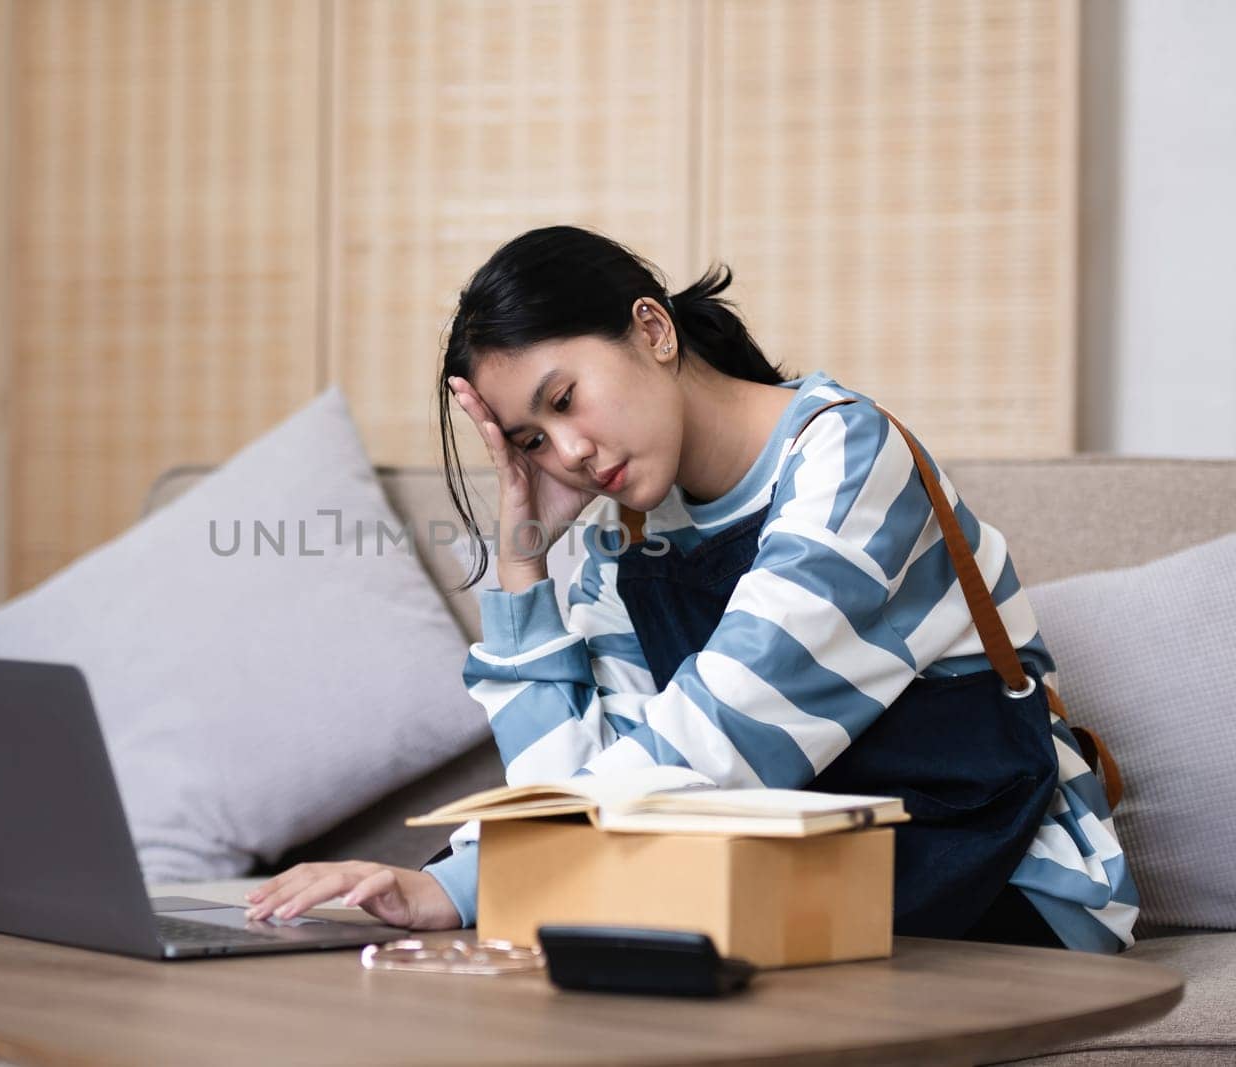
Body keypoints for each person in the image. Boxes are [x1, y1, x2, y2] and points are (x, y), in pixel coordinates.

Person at [245, 225, 1139, 953]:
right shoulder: (619, 532)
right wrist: (523, 564)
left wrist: (461, 882)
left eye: (565, 399)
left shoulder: (848, 461)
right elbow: (572, 790)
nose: (569, 455)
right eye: (529, 441)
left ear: (654, 330)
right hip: (802, 889)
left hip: (1009, 886)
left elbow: (722, 739)